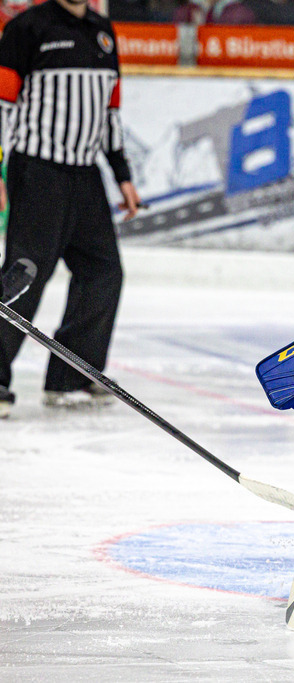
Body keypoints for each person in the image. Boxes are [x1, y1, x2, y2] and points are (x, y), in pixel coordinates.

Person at [0, 0, 140, 418]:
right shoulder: (28, 28)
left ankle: (71, 376)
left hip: (85, 174)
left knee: (103, 271)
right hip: (38, 172)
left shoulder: (102, 31)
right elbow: (2, 106)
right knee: (24, 275)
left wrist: (122, 175)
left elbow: (110, 111)